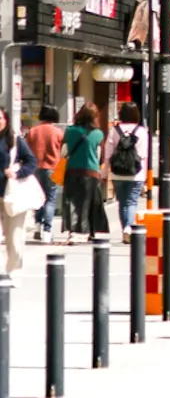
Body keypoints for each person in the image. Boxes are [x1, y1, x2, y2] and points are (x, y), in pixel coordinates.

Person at [62, 104, 109, 244]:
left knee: (72, 201)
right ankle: (91, 230)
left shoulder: (70, 131)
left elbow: (64, 151)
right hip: (91, 171)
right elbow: (99, 154)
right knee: (91, 201)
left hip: (72, 170)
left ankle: (73, 230)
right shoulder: (98, 134)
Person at [103, 102, 150, 244]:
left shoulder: (114, 131)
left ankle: (126, 228)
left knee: (122, 202)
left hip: (118, 173)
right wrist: (146, 178)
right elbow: (143, 155)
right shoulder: (141, 131)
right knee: (131, 202)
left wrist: (105, 171)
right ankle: (128, 229)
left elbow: (108, 154)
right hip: (136, 173)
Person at [0, 108, 36, 280]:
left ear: (6, 120)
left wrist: (17, 173)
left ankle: (14, 271)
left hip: (12, 195)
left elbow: (31, 162)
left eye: (0, 118)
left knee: (14, 237)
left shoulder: (14, 140)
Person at [25, 106, 63, 243]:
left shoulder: (33, 131)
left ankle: (37, 227)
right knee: (50, 199)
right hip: (52, 167)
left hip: (35, 168)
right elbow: (63, 150)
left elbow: (26, 150)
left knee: (38, 198)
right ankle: (47, 231)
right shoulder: (58, 132)